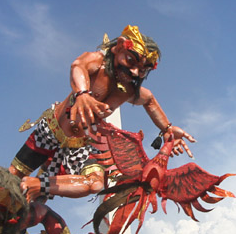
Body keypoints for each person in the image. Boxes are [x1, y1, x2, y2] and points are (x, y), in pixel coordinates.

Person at [10, 25, 195, 202]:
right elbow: (78, 65)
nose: (135, 72)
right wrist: (82, 93)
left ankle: (39, 185)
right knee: (11, 179)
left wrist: (168, 129)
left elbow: (149, 100)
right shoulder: (97, 63)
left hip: (81, 145)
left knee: (95, 184)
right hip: (52, 130)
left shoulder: (129, 91)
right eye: (131, 61)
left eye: (143, 69)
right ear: (119, 48)